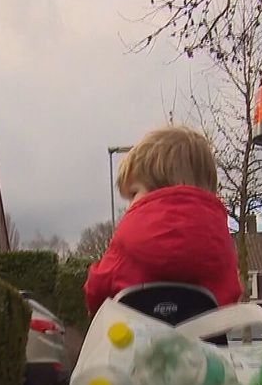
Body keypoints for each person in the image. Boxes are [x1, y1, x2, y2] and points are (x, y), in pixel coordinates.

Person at [84, 125, 242, 315]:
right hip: (201, 344)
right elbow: (231, 297)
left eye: (133, 193)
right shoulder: (221, 247)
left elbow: (95, 292)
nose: (130, 205)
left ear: (157, 189)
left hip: (136, 343)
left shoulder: (126, 240)